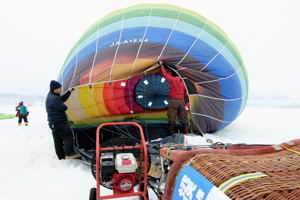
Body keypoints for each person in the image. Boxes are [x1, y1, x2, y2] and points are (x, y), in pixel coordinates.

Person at [45, 80, 80, 160]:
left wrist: (69, 92)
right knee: (68, 135)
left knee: (58, 140)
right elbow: (64, 107)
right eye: (59, 88)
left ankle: (60, 157)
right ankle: (69, 154)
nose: (61, 89)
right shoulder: (54, 99)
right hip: (59, 122)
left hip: (53, 123)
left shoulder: (51, 95)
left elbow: (61, 99)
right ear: (55, 89)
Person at [160, 62, 190, 135]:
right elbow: (186, 94)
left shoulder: (172, 79)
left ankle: (171, 133)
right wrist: (186, 102)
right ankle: (187, 132)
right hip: (182, 101)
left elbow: (165, 75)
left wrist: (161, 66)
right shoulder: (183, 82)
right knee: (183, 117)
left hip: (173, 100)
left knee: (172, 117)